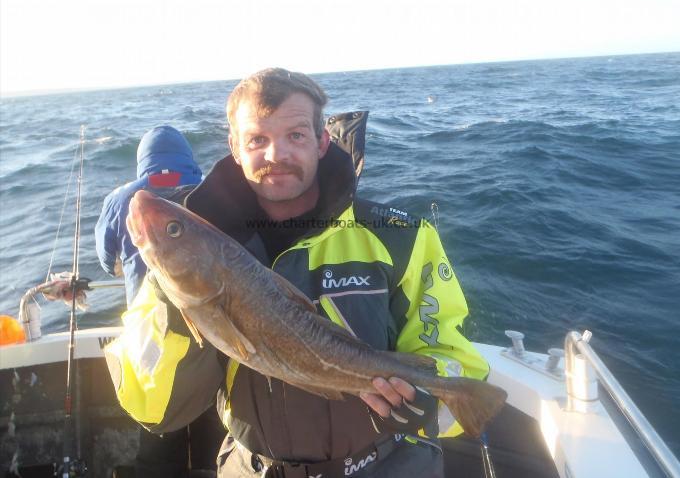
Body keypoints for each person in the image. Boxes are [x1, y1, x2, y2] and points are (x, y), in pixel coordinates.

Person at [105, 69, 490, 478]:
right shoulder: (189, 261)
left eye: (296, 136)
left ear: (322, 141)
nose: (276, 155)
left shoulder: (402, 237)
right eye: (257, 140)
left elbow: (454, 359)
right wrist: (173, 303)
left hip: (387, 465)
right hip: (253, 468)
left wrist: (428, 403)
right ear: (234, 147)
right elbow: (152, 407)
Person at [95, 126, 223, 478]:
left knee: (158, 424)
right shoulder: (208, 195)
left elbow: (109, 263)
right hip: (209, 335)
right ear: (189, 159)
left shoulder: (123, 200)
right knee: (214, 436)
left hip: (153, 339)